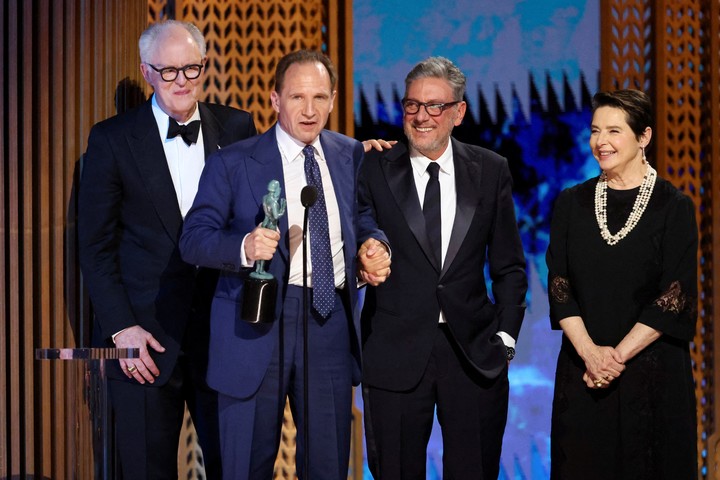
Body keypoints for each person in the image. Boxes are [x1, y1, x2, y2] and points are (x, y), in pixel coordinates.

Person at [179, 49, 391, 480]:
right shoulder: (234, 162)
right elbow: (193, 239)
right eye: (297, 97)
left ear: (333, 100)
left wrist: (374, 245)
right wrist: (243, 246)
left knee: (329, 464)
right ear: (275, 100)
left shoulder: (350, 154)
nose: (309, 110)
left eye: (319, 97)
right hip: (255, 321)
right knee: (243, 466)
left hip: (328, 318)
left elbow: (363, 217)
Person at [77, 20, 257, 479]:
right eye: (169, 71)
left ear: (203, 67)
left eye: (191, 69)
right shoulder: (112, 139)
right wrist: (121, 329)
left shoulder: (238, 128)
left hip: (225, 339)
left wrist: (364, 155)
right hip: (146, 344)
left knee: (236, 469)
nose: (181, 81)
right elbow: (95, 247)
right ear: (146, 72)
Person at [357, 56, 528, 479]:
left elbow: (509, 266)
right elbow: (357, 230)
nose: (421, 116)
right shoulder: (373, 167)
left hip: (473, 355)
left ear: (458, 113)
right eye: (412, 105)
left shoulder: (490, 170)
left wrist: (505, 339)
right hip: (394, 352)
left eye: (434, 106)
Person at [546, 89, 698, 479]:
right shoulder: (570, 204)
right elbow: (560, 286)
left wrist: (614, 359)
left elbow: (674, 296)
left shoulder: (674, 207)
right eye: (596, 130)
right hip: (584, 373)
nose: (602, 142)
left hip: (652, 377)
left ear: (643, 137)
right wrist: (591, 355)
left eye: (614, 131)